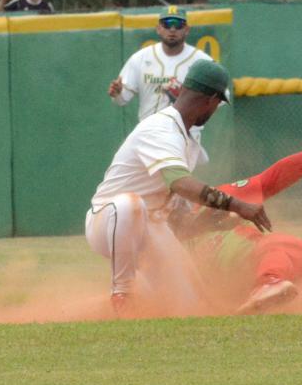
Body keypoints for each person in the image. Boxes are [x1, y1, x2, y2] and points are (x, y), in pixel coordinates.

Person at [86, 59, 272, 317]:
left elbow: (176, 219)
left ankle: (88, 309)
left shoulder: (187, 141)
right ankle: (122, 293)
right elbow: (180, 183)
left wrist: (208, 222)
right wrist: (238, 204)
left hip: (150, 226)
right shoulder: (160, 128)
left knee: (191, 306)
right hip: (107, 219)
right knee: (130, 204)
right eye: (218, 103)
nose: (216, 109)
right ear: (210, 100)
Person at [175, 108, 302, 315]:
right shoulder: (165, 241)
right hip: (254, 276)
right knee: (294, 262)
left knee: (293, 260)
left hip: (272, 263)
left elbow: (275, 177)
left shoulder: (218, 197)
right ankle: (280, 288)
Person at [108, 6, 213, 122]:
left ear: (187, 30)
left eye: (178, 24)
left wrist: (194, 102)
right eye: (167, 24)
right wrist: (117, 94)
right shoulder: (140, 58)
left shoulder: (203, 62)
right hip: (149, 133)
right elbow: (122, 99)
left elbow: (222, 97)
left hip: (185, 133)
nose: (172, 29)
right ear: (158, 28)